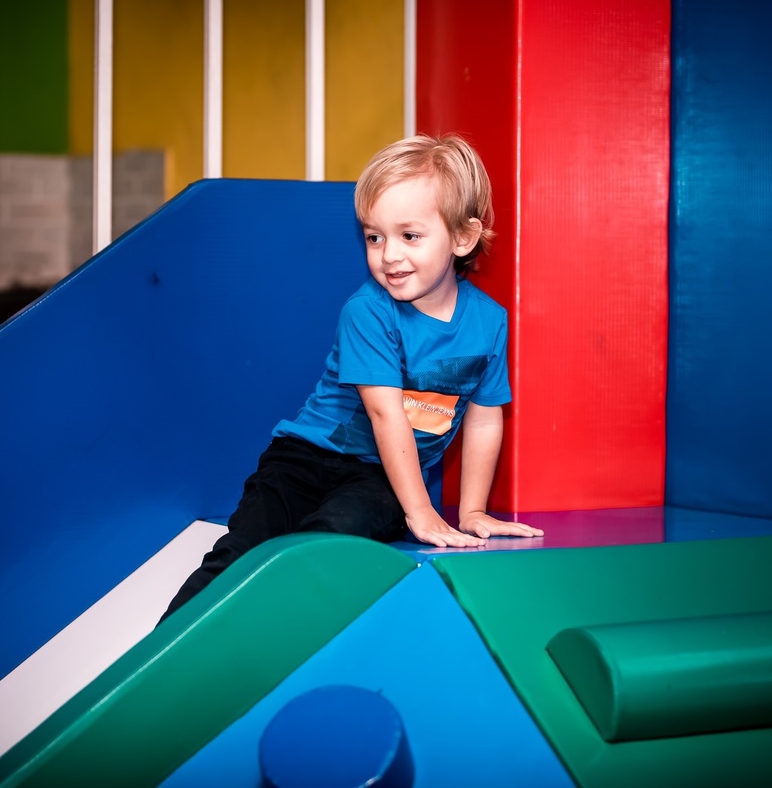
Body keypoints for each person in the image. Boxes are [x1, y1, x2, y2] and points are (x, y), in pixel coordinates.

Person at [160, 134, 542, 623]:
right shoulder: (368, 311)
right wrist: (421, 512)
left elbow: (485, 421)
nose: (388, 256)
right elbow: (386, 414)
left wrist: (470, 511)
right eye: (374, 237)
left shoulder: (488, 322)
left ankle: (274, 634)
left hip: (381, 476)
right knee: (243, 550)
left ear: (463, 238)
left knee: (333, 538)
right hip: (304, 458)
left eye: (410, 236)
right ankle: (161, 656)